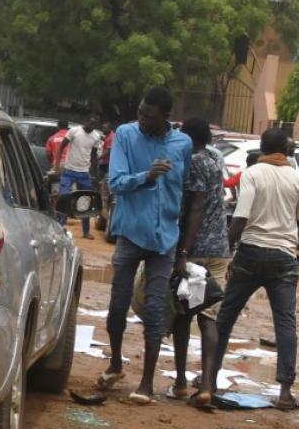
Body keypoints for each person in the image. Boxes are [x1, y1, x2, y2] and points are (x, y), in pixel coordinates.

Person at [98, 87, 192, 404]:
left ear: (166, 117)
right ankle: (115, 363)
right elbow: (116, 183)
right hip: (130, 231)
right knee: (118, 302)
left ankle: (147, 384)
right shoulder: (125, 135)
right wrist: (147, 176)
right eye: (140, 112)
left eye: (148, 116)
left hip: (165, 237)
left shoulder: (183, 144)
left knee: (155, 308)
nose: (141, 119)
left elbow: (185, 191)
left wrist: (183, 248)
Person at [214, 128, 299, 411]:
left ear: (264, 148)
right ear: (287, 150)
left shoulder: (253, 174)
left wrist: (226, 250)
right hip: (283, 257)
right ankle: (284, 392)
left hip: (250, 253)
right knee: (285, 323)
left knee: (226, 316)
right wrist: (296, 243)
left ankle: (208, 378)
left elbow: (240, 217)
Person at [169, 118, 229, 410]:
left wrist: (183, 251)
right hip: (219, 248)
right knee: (209, 319)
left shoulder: (193, 162)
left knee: (183, 315)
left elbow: (196, 206)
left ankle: (181, 382)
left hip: (195, 252)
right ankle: (206, 385)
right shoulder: (216, 160)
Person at [53, 115, 104, 239]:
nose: (91, 126)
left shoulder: (96, 137)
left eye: (94, 125)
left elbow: (93, 157)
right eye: (90, 123)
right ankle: (59, 226)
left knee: (85, 201)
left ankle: (86, 231)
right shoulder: (74, 131)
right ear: (85, 121)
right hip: (69, 171)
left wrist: (94, 175)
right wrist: (57, 164)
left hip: (84, 173)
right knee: (63, 197)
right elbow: (61, 147)